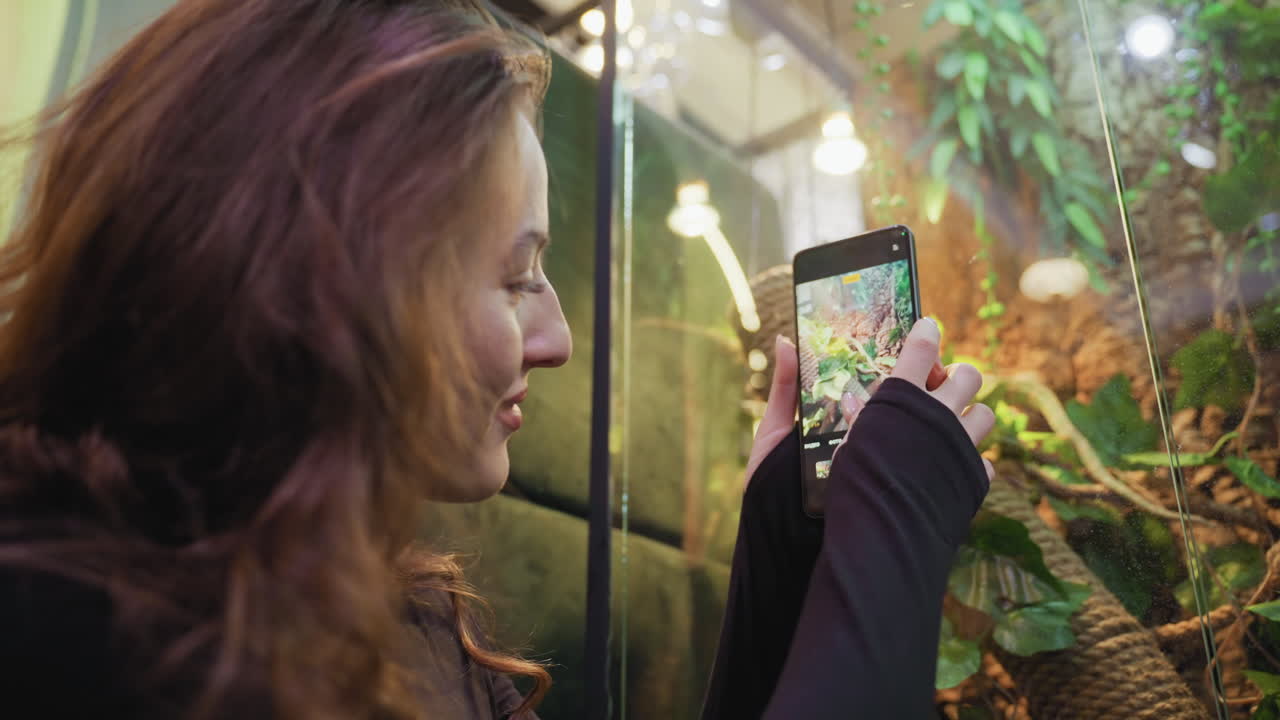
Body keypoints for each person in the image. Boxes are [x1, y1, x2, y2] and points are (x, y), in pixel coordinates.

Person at [0, 1, 993, 718]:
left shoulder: (397, 620)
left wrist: (780, 563)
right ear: (332, 276)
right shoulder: (67, 638)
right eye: (517, 275)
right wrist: (892, 537)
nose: (556, 339)